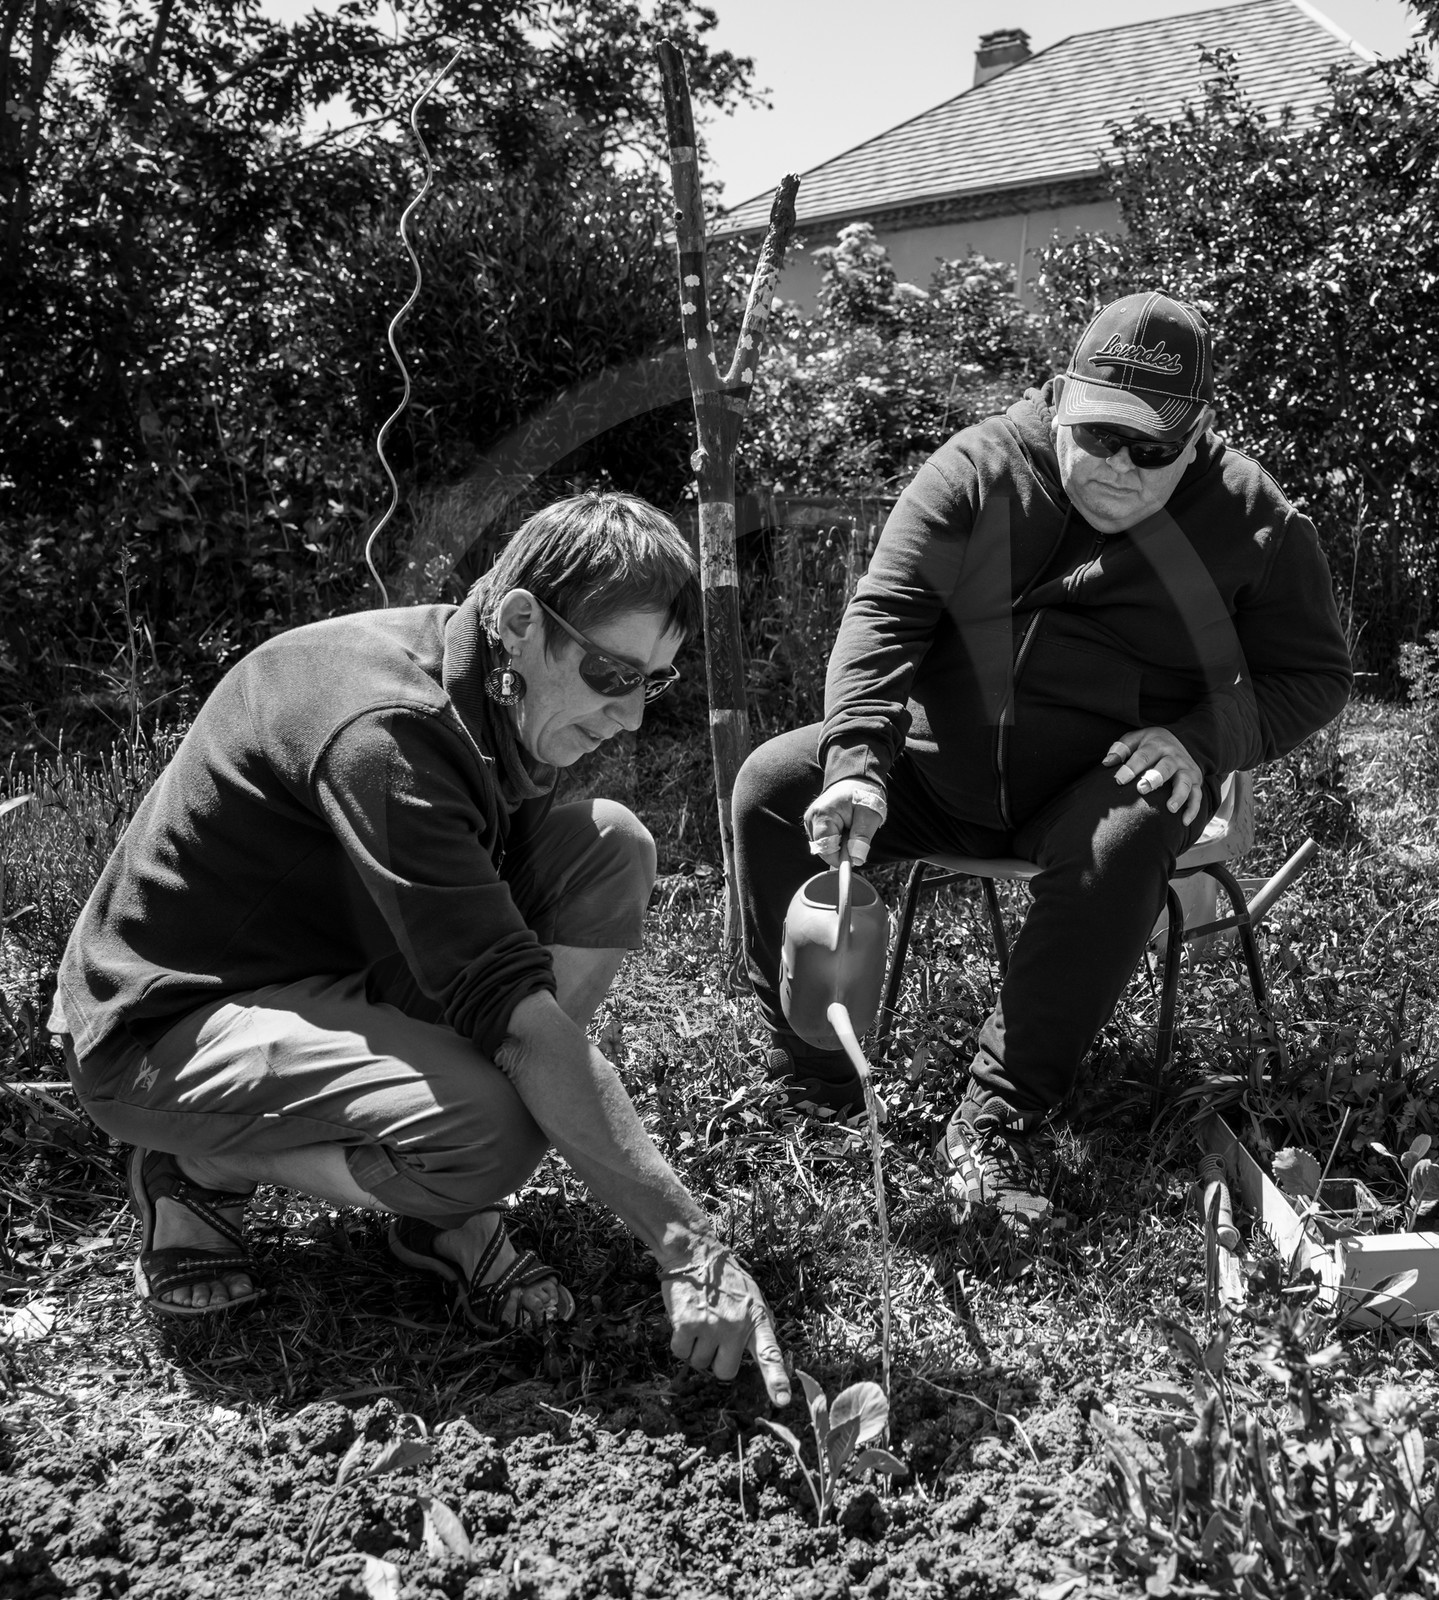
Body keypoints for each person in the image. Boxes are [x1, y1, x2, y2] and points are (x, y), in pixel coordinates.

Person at [50, 491, 790, 1409]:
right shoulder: (390, 731)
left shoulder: (485, 680)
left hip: (328, 959)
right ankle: (197, 1171)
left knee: (610, 848)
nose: (633, 717)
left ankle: (426, 1200)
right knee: (493, 1132)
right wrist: (688, 1243)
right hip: (168, 1025)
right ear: (523, 623)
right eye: (611, 674)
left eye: (655, 682)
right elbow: (517, 1018)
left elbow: (493, 944)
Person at [733, 292, 1352, 1226]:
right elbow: (886, 619)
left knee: (1125, 836)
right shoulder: (978, 471)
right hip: (940, 771)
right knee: (775, 786)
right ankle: (815, 1075)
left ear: (1202, 434)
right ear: (1061, 395)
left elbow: (1314, 674)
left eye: (1153, 449)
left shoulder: (1252, 519)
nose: (1121, 469)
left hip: (1094, 780)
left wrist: (1202, 738)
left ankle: (997, 1111)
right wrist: (858, 762)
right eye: (1101, 437)